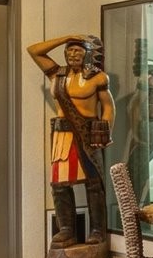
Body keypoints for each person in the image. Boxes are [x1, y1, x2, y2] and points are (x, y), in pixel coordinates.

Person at [27, 33, 113, 247]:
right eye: (70, 50)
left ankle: (97, 229)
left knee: (94, 183)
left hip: (86, 134)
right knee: (59, 183)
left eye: (78, 50)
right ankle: (67, 229)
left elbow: (109, 106)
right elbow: (34, 50)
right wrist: (66, 37)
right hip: (62, 135)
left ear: (87, 54)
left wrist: (104, 130)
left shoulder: (97, 77)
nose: (73, 54)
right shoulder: (56, 74)